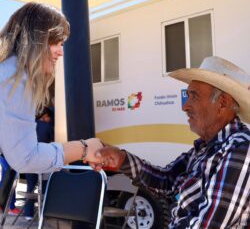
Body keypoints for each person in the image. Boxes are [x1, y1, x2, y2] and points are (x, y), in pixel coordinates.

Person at [91, 56, 250, 228]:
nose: (185, 106)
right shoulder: (205, 148)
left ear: (222, 103)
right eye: (188, 95)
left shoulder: (240, 149)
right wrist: (122, 159)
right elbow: (166, 180)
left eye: (194, 96)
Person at [0, 2, 103, 174]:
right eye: (56, 42)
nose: (61, 52)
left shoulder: (7, 71)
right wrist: (84, 148)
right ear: (35, 38)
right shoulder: (14, 79)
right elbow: (27, 158)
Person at [24, 107, 54, 221]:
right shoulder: (47, 126)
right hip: (43, 160)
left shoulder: (29, 125)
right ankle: (45, 213)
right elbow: (52, 143)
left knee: (30, 186)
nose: (50, 120)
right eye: (49, 117)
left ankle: (28, 214)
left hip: (30, 160)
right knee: (45, 186)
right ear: (45, 116)